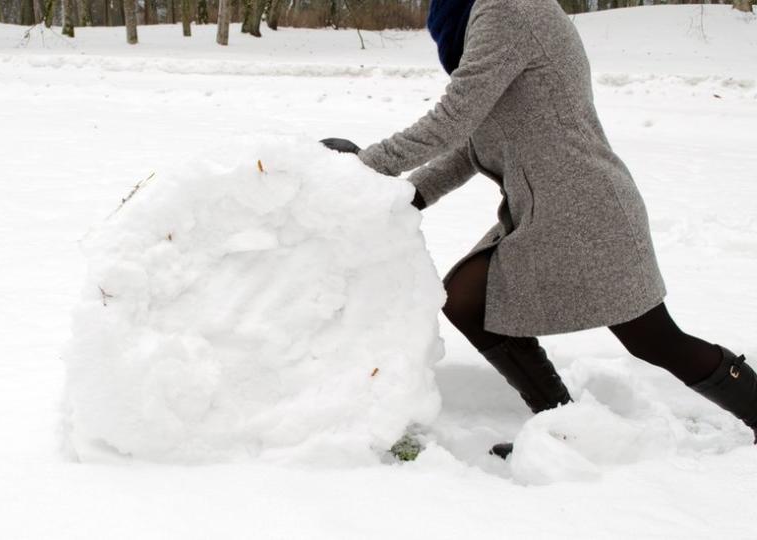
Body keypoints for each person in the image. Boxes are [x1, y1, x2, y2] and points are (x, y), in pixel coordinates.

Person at [321, 0, 755, 457]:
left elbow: (451, 121)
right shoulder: (477, 17)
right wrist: (406, 197)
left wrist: (364, 168)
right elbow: (471, 146)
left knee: (655, 340)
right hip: (546, 212)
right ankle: (561, 427)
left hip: (588, 211)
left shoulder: (509, 9)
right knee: (468, 299)